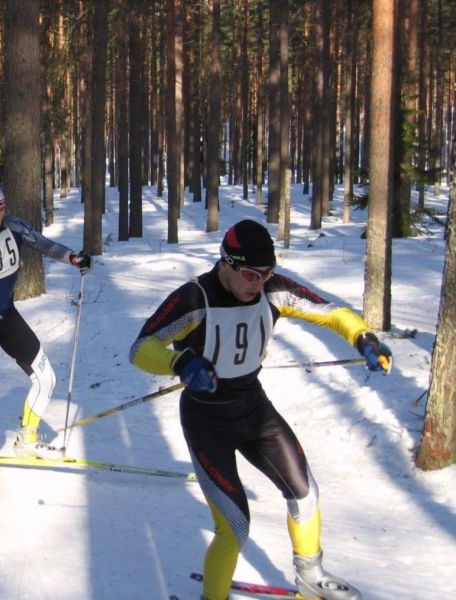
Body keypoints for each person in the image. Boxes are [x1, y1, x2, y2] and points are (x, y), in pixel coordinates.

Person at [129, 219, 391, 600]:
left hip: (253, 408)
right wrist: (180, 363)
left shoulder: (272, 290)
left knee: (305, 493)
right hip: (206, 419)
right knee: (234, 527)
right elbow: (141, 348)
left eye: (267, 273)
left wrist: (362, 337)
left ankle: (310, 576)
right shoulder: (195, 298)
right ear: (226, 264)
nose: (259, 282)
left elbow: (330, 311)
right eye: (251, 274)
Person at [0, 179, 92, 485]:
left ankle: (27, 437)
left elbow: (42, 243)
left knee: (45, 377)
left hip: (5, 316)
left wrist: (71, 257)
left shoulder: (13, 226)